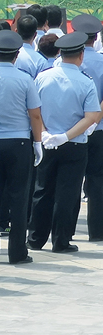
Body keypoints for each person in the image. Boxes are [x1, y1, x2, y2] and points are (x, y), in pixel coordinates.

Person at [29, 32, 102, 253]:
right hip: (74, 144)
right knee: (67, 193)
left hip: (47, 142)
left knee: (42, 190)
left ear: (60, 53)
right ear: (81, 55)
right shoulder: (85, 82)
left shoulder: (43, 77)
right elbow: (91, 116)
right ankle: (61, 241)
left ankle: (35, 238)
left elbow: (34, 111)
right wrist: (66, 136)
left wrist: (44, 133)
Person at [0, 30, 44, 265]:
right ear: (16, 55)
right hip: (19, 142)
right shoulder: (25, 79)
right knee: (19, 198)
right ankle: (17, 251)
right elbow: (35, 114)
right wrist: (38, 142)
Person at [70, 14, 103, 241]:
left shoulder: (65, 64)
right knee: (97, 178)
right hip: (99, 129)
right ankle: (97, 230)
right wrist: (95, 121)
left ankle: (65, 232)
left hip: (71, 130)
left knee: (70, 180)